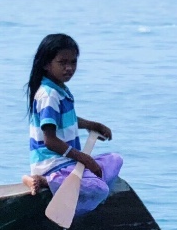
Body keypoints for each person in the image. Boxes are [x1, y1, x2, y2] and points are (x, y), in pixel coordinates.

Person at [22, 33, 124, 218]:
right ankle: (44, 180)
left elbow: (66, 119)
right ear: (46, 64)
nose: (69, 68)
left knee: (115, 160)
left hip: (69, 163)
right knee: (99, 189)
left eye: (73, 62)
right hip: (53, 165)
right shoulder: (48, 95)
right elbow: (50, 141)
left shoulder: (60, 89)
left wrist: (93, 125)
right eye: (62, 63)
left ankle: (73, 182)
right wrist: (85, 159)